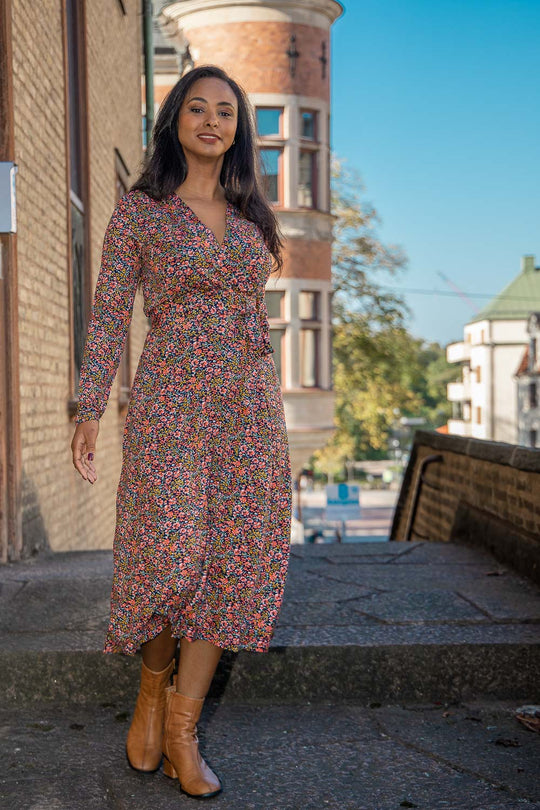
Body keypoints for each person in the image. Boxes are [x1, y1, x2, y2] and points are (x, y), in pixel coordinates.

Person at [70, 65, 292, 800]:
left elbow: (257, 319)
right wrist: (89, 408)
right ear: (174, 121)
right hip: (169, 402)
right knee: (168, 557)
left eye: (225, 111)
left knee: (231, 563)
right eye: (196, 107)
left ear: (237, 130)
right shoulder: (140, 211)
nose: (211, 120)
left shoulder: (255, 216)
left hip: (249, 410)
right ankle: (150, 692)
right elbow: (108, 315)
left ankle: (180, 733)